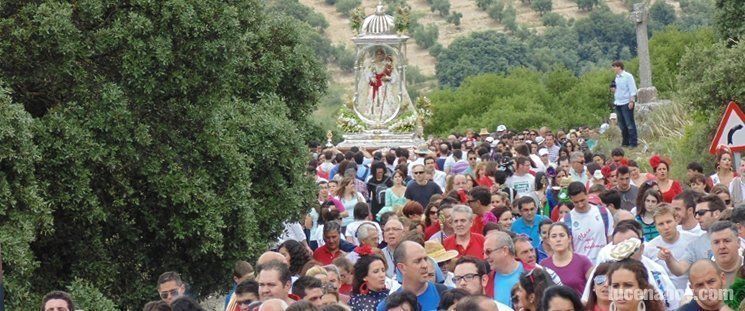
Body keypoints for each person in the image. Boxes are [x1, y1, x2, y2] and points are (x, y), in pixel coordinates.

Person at [662, 194, 726, 276]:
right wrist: (669, 259)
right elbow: (680, 270)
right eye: (696, 213)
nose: (697, 217)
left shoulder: (736, 237)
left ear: (716, 213)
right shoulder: (695, 245)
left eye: (701, 213)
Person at [375, 241, 448, 311]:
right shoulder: (386, 306)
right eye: (418, 261)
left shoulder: (446, 295)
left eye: (425, 259)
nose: (425, 265)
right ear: (402, 268)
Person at [642, 204, 697, 290]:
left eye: (669, 222)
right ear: (656, 227)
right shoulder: (650, 248)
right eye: (661, 224)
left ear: (676, 221)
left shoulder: (693, 240)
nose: (666, 227)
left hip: (690, 293)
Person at [564, 181, 613, 263]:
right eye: (576, 202)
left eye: (582, 200)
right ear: (570, 200)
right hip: (581, 266)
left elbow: (610, 238)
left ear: (587, 195)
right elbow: (569, 248)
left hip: (603, 263)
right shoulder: (567, 221)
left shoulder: (603, 212)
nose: (580, 205)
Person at [539, 223, 592, 295]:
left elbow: (593, 287)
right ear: (549, 241)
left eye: (562, 235)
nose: (558, 239)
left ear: (569, 238)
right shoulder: (543, 265)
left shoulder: (583, 261)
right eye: (554, 236)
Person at [484, 231, 524, 307]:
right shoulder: (487, 280)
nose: (485, 257)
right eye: (484, 253)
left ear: (505, 250)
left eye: (488, 252)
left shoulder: (533, 273)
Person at [612, 60, 638, 148]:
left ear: (619, 67)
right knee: (622, 124)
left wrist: (631, 101)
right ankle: (625, 141)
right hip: (618, 102)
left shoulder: (628, 76)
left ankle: (633, 142)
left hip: (626, 102)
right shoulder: (616, 77)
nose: (613, 68)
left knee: (629, 123)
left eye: (615, 67)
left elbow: (632, 89)